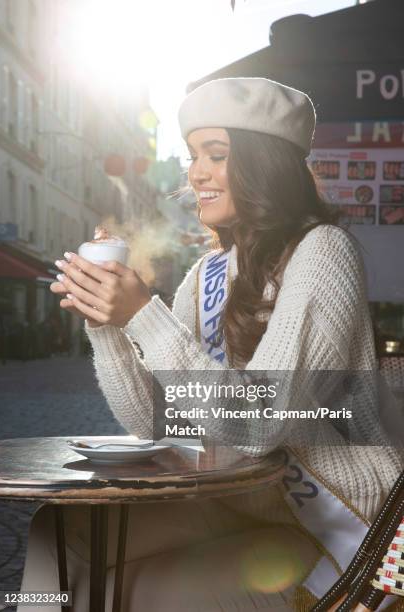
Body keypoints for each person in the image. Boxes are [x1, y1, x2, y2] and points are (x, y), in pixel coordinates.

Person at [20, 78, 402, 611]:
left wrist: (144, 315)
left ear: (263, 164)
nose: (195, 172)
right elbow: (158, 419)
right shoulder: (207, 275)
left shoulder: (322, 253)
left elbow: (261, 423)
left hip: (340, 537)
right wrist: (106, 322)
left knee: (136, 589)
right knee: (58, 532)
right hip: (243, 501)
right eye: (192, 155)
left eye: (215, 155)